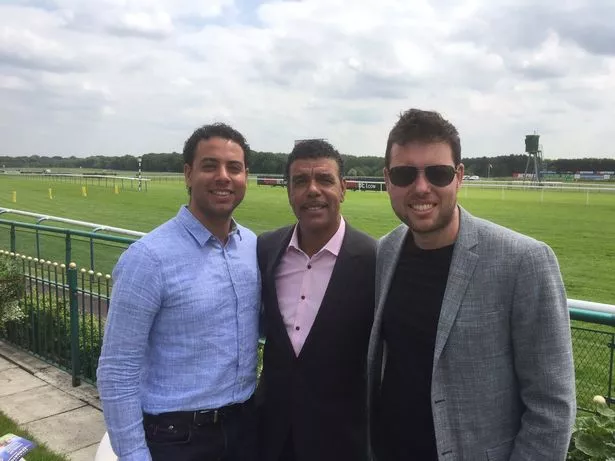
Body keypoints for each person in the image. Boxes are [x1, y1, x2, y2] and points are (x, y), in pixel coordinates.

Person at [367, 109, 576, 460]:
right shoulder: (385, 251)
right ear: (388, 179)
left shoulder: (524, 261)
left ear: (459, 176)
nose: (421, 187)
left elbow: (552, 410)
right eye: (405, 174)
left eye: (437, 173)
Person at [97, 123, 261, 461]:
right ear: (188, 174)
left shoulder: (253, 248)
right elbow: (117, 369)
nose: (223, 176)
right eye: (210, 165)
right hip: (176, 440)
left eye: (234, 167)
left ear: (246, 175)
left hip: (246, 429)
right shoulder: (148, 259)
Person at [256, 139, 376, 461]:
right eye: (300, 181)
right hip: (271, 438)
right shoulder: (265, 249)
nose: (312, 190)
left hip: (341, 442)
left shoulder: (375, 259)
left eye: (324, 179)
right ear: (288, 191)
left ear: (344, 188)